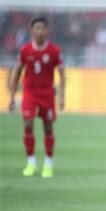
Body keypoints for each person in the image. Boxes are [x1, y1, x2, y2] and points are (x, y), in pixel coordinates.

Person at [8, 16, 66, 178]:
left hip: (47, 93)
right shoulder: (25, 50)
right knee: (28, 124)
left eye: (43, 28)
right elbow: (17, 73)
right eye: (37, 28)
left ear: (47, 31)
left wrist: (61, 96)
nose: (40, 31)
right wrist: (12, 96)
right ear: (32, 31)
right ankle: (31, 163)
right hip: (30, 92)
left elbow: (62, 74)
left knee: (48, 127)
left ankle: (48, 164)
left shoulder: (54, 51)